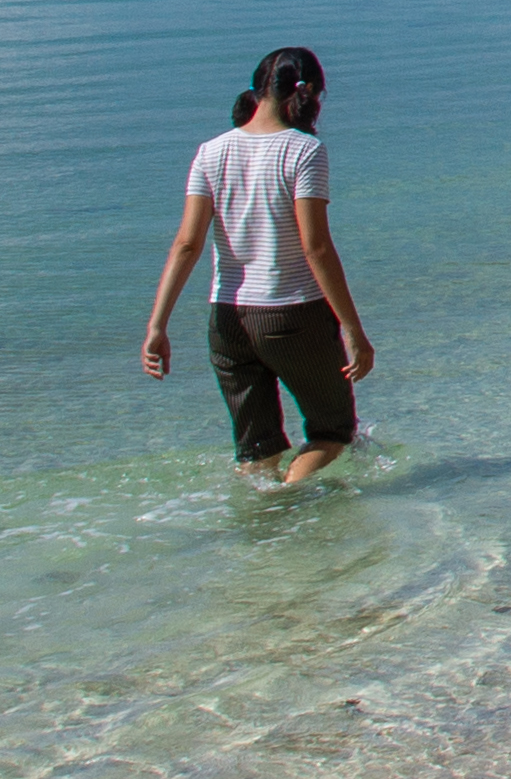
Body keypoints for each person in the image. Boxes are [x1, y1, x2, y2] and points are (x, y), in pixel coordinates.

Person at [138, 46, 376, 485]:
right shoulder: (304, 151)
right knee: (333, 431)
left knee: (256, 449)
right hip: (291, 314)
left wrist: (158, 325)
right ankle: (291, 502)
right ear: (308, 96)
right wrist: (352, 328)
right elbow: (316, 248)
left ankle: (263, 529)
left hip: (226, 320)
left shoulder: (210, 152)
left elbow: (187, 244)